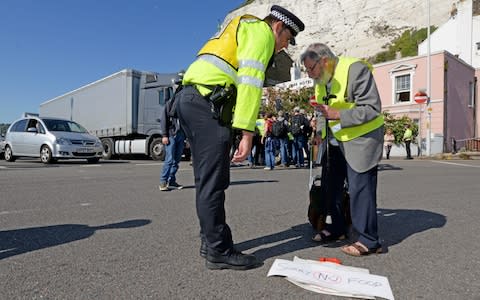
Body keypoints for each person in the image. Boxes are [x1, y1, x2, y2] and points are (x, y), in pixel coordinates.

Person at [175, 5, 305, 270]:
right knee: (214, 181)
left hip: (190, 99)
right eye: (287, 39)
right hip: (206, 104)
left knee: (205, 179)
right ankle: (219, 251)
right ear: (277, 27)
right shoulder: (261, 33)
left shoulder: (241, 27)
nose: (284, 47)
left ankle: (210, 241)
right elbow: (250, 81)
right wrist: (247, 134)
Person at [301, 43, 384, 256]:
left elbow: (372, 109)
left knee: (360, 189)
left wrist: (338, 114)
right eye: (307, 70)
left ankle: (369, 240)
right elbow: (322, 110)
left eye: (312, 69)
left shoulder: (356, 70)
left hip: (362, 138)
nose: (310, 75)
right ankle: (336, 228)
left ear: (325, 61)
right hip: (335, 139)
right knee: (331, 186)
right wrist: (319, 133)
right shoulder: (321, 80)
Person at [159, 94, 186, 191]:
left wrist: (186, 138)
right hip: (171, 135)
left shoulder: (184, 106)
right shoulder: (169, 104)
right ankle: (163, 182)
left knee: (176, 160)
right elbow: (164, 120)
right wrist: (164, 135)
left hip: (181, 135)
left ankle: (172, 181)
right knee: (169, 160)